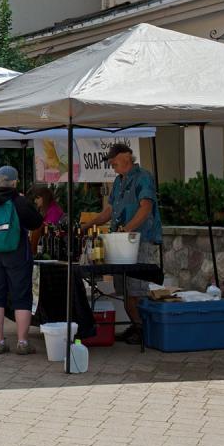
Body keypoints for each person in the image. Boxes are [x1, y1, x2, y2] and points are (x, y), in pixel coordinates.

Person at [82, 143, 163, 345]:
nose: (111, 164)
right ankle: (136, 325)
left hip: (139, 240)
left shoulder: (143, 177)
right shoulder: (118, 181)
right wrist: (89, 224)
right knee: (123, 288)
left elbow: (145, 208)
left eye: (113, 159)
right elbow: (109, 210)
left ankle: (144, 329)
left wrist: (126, 229)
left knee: (136, 288)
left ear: (127, 156)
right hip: (119, 243)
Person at [0, 166, 43, 355]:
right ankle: (22, 342)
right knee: (21, 297)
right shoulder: (18, 201)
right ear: (14, 182)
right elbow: (37, 222)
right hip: (16, 255)